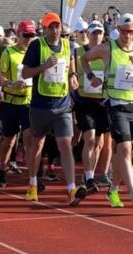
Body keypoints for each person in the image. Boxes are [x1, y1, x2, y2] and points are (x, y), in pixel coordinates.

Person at [82, 13, 133, 213]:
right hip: (115, 104)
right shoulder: (107, 49)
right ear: (118, 31)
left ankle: (113, 189)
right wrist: (90, 76)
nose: (127, 36)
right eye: (124, 31)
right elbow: (84, 58)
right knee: (125, 149)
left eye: (131, 32)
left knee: (124, 153)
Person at [21, 12, 87, 206]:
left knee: (66, 144)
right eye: (51, 27)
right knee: (37, 144)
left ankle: (71, 189)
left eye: (57, 26)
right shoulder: (36, 46)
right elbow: (25, 72)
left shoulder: (68, 45)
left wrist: (73, 75)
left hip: (62, 105)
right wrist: (44, 66)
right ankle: (32, 183)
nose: (55, 30)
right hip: (41, 105)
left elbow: (71, 66)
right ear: (45, 28)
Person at [70, 20, 111, 194]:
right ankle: (89, 178)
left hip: (102, 103)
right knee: (90, 138)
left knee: (99, 143)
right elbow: (70, 73)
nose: (97, 36)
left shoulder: (108, 53)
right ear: (88, 34)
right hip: (84, 101)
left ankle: (90, 175)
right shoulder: (78, 52)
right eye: (94, 33)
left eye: (100, 33)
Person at [0, 20, 36, 187]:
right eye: (26, 35)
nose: (29, 38)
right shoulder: (8, 53)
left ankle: (32, 177)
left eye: (32, 35)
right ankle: (2, 169)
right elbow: (0, 77)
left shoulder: (36, 52)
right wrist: (11, 84)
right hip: (11, 102)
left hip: (28, 101)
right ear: (18, 35)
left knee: (29, 138)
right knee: (9, 140)